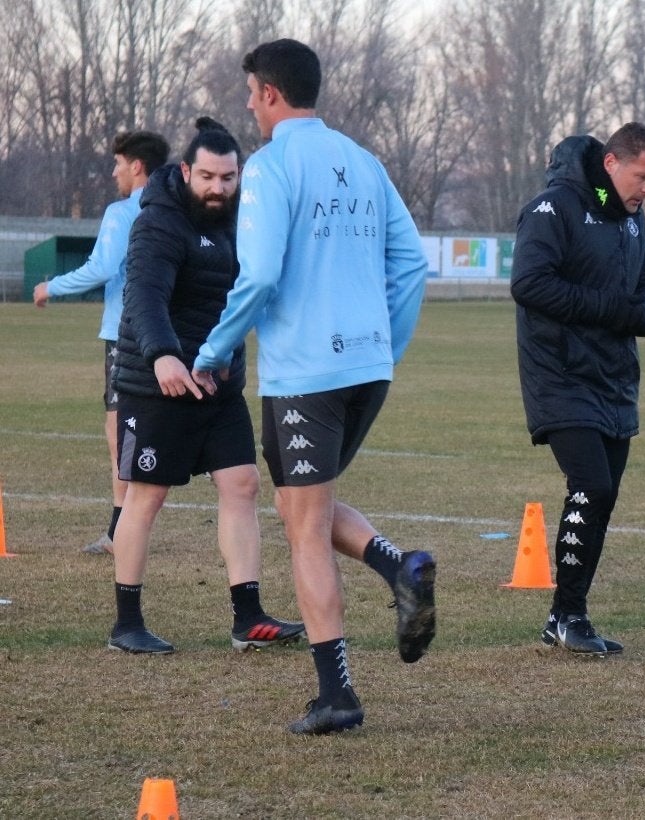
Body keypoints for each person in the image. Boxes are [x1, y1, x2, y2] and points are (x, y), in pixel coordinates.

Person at [191, 39, 434, 735]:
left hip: (306, 377)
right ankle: (400, 568)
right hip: (367, 369)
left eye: (249, 94)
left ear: (269, 94)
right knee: (308, 505)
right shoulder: (363, 161)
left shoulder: (270, 168)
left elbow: (260, 276)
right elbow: (411, 265)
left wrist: (213, 350)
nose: (246, 106)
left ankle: (338, 694)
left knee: (302, 525)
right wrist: (384, 343)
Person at [109, 118, 305, 656]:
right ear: (186, 170)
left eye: (228, 177)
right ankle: (127, 623)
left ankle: (248, 618)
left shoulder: (243, 219)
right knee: (145, 497)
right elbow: (144, 296)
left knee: (242, 484)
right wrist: (164, 356)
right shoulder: (159, 221)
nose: (217, 188)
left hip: (219, 383)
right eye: (208, 177)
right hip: (157, 384)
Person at [510, 122, 645, 656]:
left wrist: (642, 312)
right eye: (643, 176)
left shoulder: (631, 220)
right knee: (591, 486)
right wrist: (613, 311)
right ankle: (567, 614)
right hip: (560, 376)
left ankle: (567, 619)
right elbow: (529, 284)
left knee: (603, 498)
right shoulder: (554, 209)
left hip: (614, 379)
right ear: (611, 164)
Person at [34, 130, 169, 555]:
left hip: (125, 333)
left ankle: (120, 531)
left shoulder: (123, 212)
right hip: (167, 333)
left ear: (136, 166)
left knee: (119, 429)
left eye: (117, 163)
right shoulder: (175, 208)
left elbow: (102, 267)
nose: (113, 172)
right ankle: (127, 525)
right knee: (147, 428)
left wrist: (50, 287)